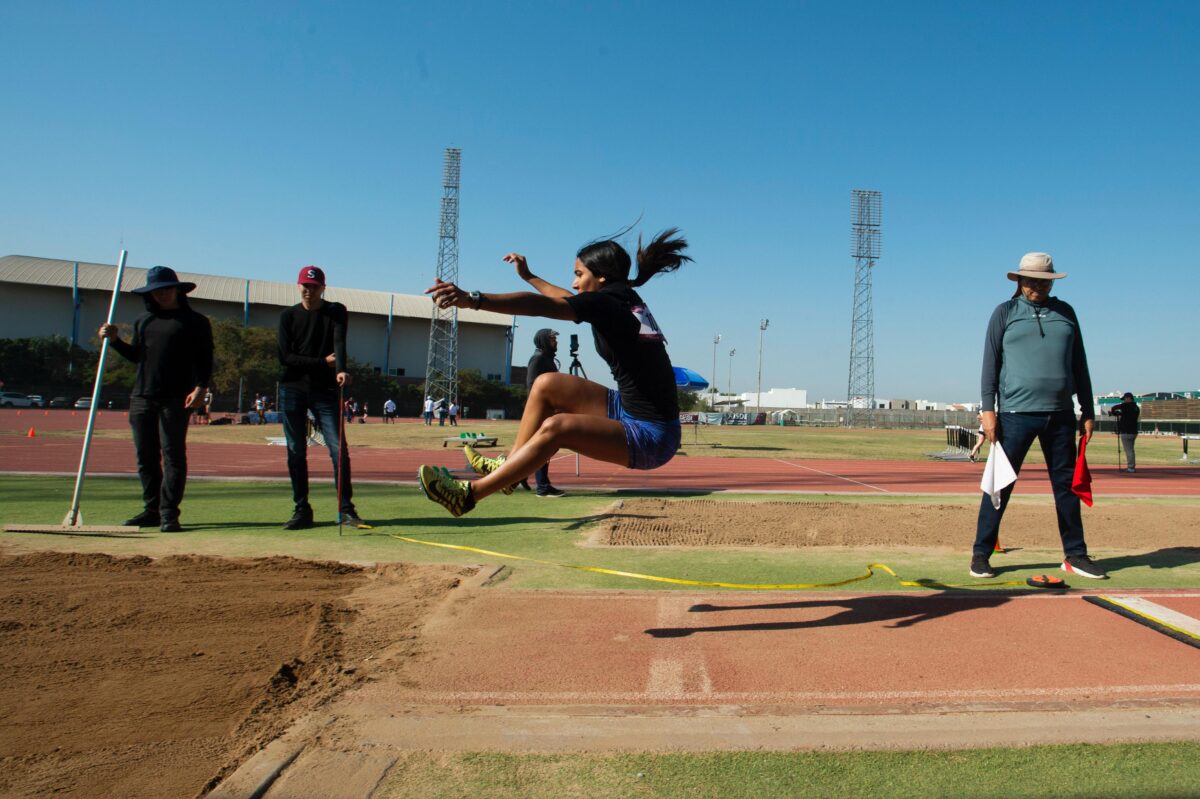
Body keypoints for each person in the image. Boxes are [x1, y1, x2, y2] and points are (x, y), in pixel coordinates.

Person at [418, 227, 690, 516]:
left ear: (601, 276)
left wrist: (473, 299)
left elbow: (541, 306)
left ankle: (468, 496)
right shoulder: (621, 298)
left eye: (579, 274)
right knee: (547, 384)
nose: (574, 283)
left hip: (652, 437)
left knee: (556, 427)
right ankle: (512, 467)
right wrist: (529, 276)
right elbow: (562, 299)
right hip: (627, 409)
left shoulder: (607, 303)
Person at [971, 252, 1105, 580]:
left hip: (1060, 415)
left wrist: (1086, 410)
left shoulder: (1066, 313)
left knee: (1067, 488)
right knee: (999, 487)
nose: (1037, 288)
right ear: (1019, 281)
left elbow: (1080, 365)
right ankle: (980, 554)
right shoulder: (1004, 313)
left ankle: (1075, 555)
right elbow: (990, 365)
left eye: (1043, 282)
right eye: (1031, 281)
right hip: (1016, 415)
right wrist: (988, 410)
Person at [99, 266, 213, 532]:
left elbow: (205, 359)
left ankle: (169, 512)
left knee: (173, 454)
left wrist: (201, 387)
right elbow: (138, 356)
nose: (162, 294)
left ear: (177, 290)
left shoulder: (195, 322)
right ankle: (151, 509)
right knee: (145, 456)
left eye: (167, 289)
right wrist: (115, 340)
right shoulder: (143, 321)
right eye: (156, 290)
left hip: (176, 398)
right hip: (142, 396)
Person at [278, 265, 368, 530]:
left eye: (314, 287)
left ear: (323, 288)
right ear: (299, 287)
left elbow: (340, 343)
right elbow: (285, 358)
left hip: (325, 391)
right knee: (296, 450)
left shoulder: (336, 311)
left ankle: (346, 509)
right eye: (305, 286)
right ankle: (302, 509)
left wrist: (340, 369)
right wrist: (321, 363)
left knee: (338, 448)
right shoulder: (288, 317)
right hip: (292, 388)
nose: (309, 291)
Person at [523, 328, 566, 497]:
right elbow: (533, 386)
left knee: (543, 448)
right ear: (543, 340)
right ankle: (542, 486)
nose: (556, 341)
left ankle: (522, 475)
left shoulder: (548, 359)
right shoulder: (538, 359)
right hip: (540, 411)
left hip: (550, 409)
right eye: (552, 339)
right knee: (543, 447)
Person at [1109, 392, 1140, 473]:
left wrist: (1113, 412)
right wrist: (1121, 413)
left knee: (1128, 450)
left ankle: (1131, 468)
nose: (1124, 401)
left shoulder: (1126, 405)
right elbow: (1129, 415)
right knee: (1131, 449)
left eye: (1125, 399)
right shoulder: (1136, 407)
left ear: (1128, 398)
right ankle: (1132, 466)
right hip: (1134, 431)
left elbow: (1114, 407)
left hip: (1126, 431)